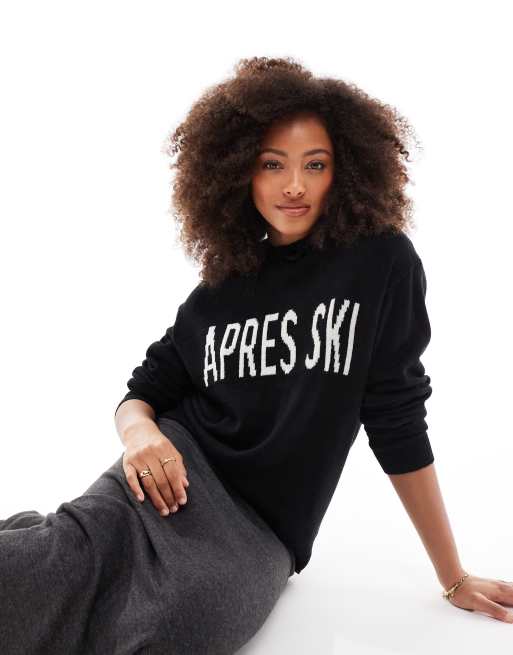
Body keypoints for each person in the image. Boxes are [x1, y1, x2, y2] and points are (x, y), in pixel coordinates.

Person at [2, 57, 513, 655]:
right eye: (272, 164)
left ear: (345, 171)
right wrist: (140, 435)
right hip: (167, 477)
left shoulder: (380, 264)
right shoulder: (222, 287)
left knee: (183, 624)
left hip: (262, 530)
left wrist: (452, 576)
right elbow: (144, 390)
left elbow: (397, 420)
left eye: (315, 164)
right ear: (239, 171)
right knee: (46, 568)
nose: (294, 185)